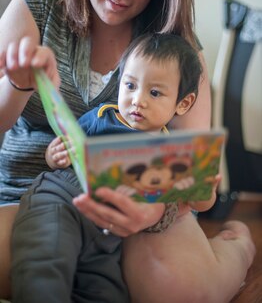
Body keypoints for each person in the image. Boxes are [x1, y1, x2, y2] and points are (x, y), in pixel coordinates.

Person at [0, 0, 255, 301]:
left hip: (142, 200)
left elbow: (187, 167)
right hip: (33, 191)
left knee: (181, 292)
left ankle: (235, 248)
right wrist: (18, 85)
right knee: (40, 267)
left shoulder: (175, 48)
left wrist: (151, 209)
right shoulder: (39, 2)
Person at [11, 32, 215, 303]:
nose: (137, 100)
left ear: (183, 103)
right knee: (47, 262)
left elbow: (199, 202)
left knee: (107, 292)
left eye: (154, 93)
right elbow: (64, 145)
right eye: (130, 85)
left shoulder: (173, 152)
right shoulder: (102, 117)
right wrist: (54, 155)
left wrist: (205, 191)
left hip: (108, 236)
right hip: (63, 198)